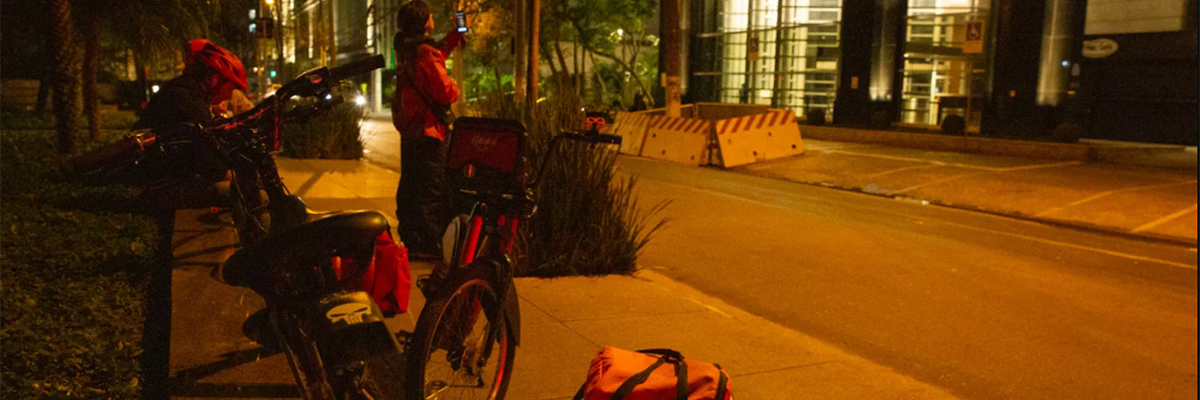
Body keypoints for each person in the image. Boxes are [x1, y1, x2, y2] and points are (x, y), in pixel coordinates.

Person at [391, 0, 465, 257]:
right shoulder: (424, 53)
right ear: (424, 22)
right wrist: (455, 87)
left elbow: (441, 50)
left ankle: (412, 237)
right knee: (432, 188)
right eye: (430, 16)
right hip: (429, 131)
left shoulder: (405, 49)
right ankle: (430, 243)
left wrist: (459, 29)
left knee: (411, 184)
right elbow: (446, 91)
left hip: (410, 130)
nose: (433, 18)